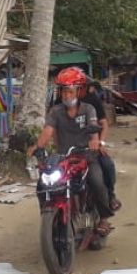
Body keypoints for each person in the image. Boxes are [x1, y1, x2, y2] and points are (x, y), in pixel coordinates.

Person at [28, 67, 115, 235]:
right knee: (43, 184)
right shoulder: (55, 111)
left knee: (97, 181)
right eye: (63, 92)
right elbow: (47, 131)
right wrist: (37, 146)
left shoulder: (88, 109)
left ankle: (104, 218)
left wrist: (95, 141)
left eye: (70, 91)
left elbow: (94, 128)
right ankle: (49, 214)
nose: (66, 95)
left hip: (87, 157)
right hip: (63, 158)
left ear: (79, 91)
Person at [78, 74, 121, 212]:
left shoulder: (92, 101)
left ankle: (110, 196)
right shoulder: (60, 102)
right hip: (69, 147)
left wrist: (100, 142)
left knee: (106, 165)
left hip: (90, 145)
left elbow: (103, 123)